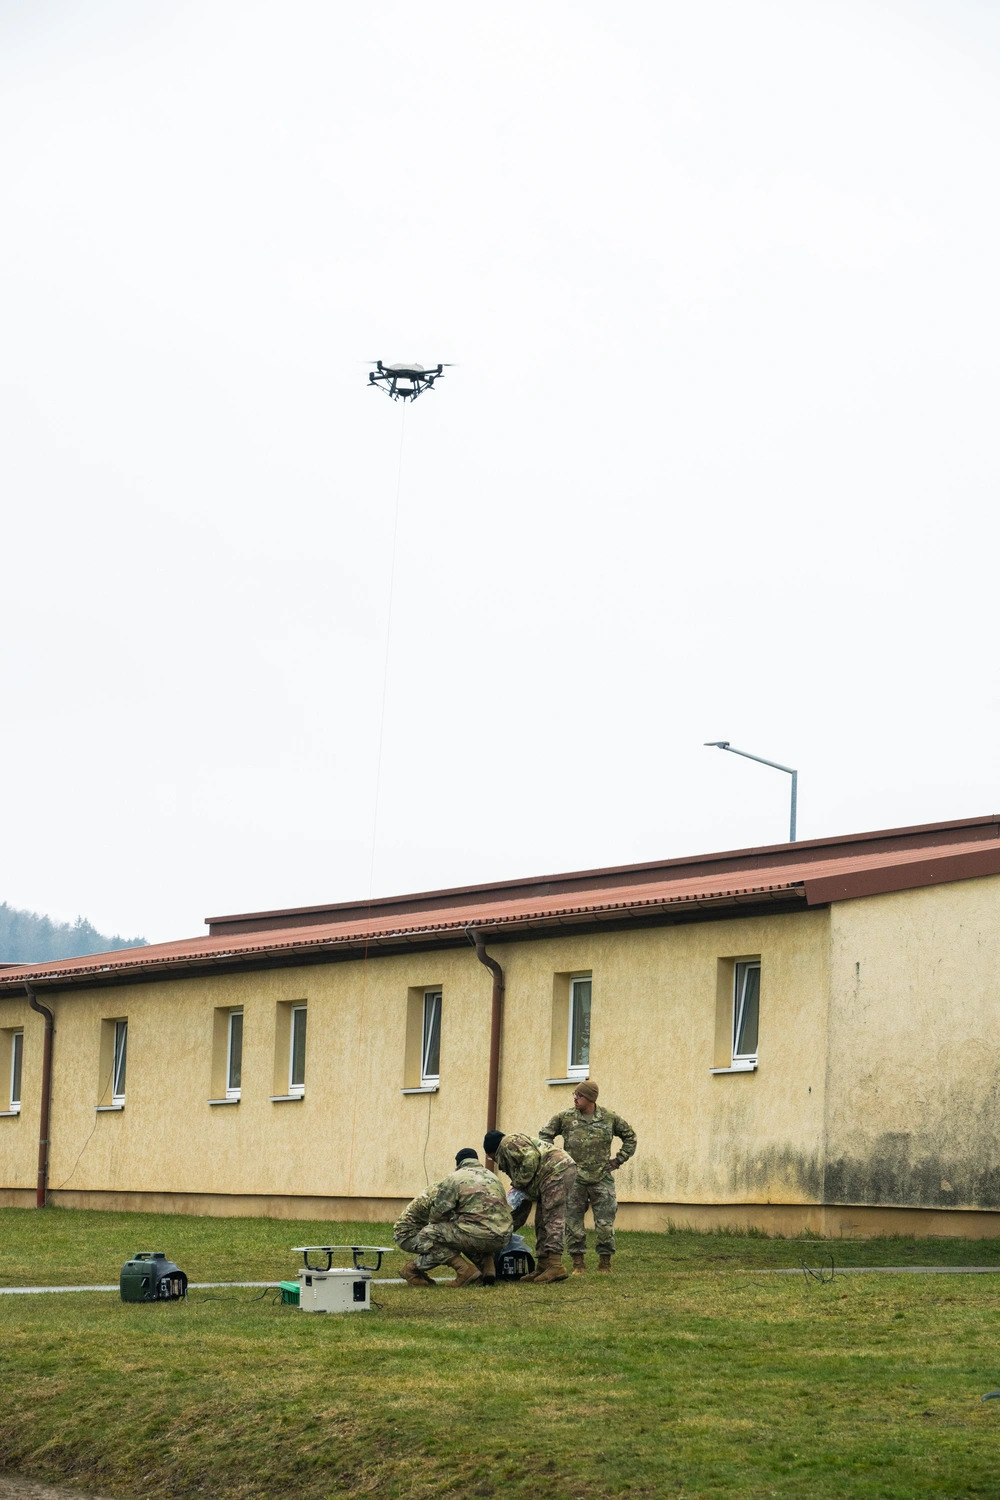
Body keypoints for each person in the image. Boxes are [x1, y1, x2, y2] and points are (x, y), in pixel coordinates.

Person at [538, 1080, 636, 1274]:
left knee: (605, 1223)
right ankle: (578, 1264)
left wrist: (618, 1160)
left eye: (579, 1095)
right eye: (574, 1094)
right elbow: (544, 1135)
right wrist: (557, 1159)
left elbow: (630, 1137)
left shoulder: (609, 1118)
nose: (575, 1098)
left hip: (601, 1177)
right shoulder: (564, 1117)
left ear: (590, 1098)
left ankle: (605, 1263)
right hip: (574, 1178)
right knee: (573, 1222)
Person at [395, 1148, 512, 1289]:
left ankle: (461, 1271)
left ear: (458, 1164)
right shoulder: (492, 1177)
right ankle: (488, 1270)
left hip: (476, 1234)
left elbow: (437, 1216)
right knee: (468, 1231)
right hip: (503, 1237)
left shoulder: (454, 1180)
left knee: (432, 1233)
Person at [484, 1129, 576, 1284]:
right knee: (541, 1219)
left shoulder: (507, 1144)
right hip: (551, 1173)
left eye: (492, 1158)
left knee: (553, 1218)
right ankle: (543, 1266)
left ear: (492, 1151)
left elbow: (531, 1157)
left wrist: (519, 1183)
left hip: (556, 1170)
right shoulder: (512, 1144)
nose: (496, 1163)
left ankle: (555, 1265)